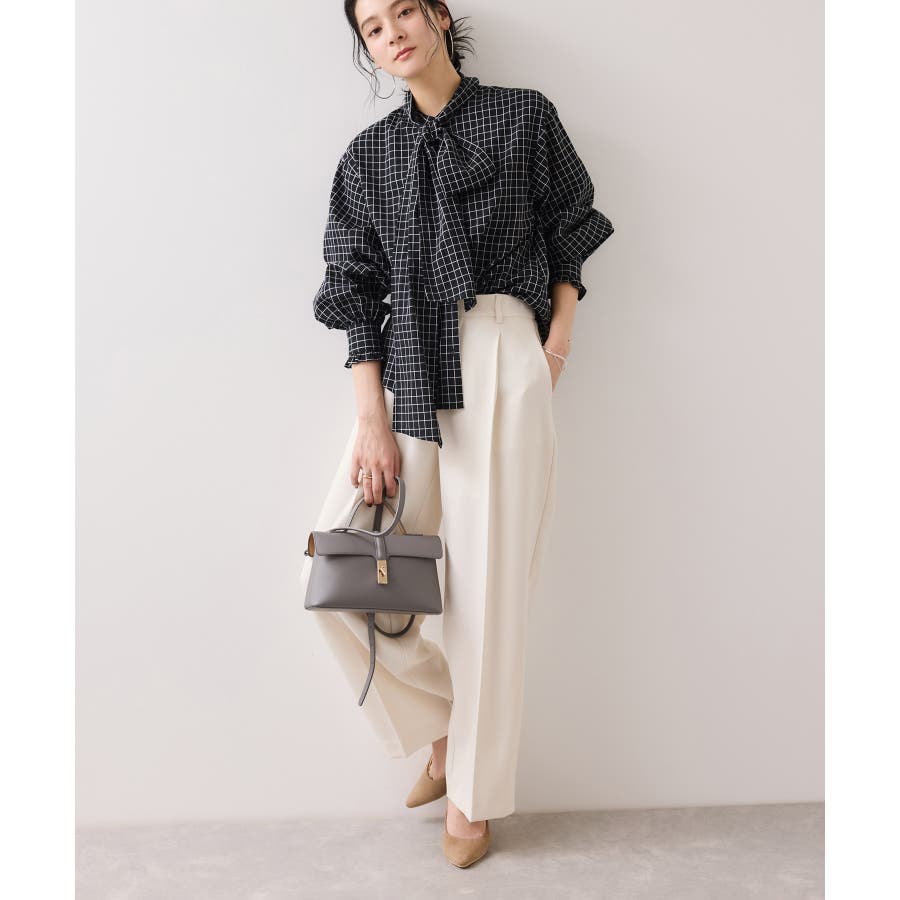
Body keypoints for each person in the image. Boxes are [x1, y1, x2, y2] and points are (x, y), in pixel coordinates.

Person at [300, 0, 614, 867]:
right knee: (339, 572)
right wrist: (371, 420)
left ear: (438, 16)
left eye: (404, 11)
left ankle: (472, 796)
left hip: (502, 349)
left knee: (486, 592)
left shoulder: (523, 116)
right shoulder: (367, 157)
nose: (392, 32)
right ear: (368, 49)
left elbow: (570, 227)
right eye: (372, 27)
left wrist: (555, 343)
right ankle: (440, 728)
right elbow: (352, 291)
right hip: (406, 362)